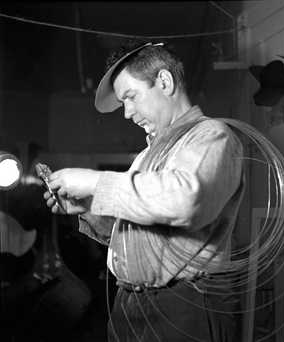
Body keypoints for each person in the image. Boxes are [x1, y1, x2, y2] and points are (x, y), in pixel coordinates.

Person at [43, 41, 245, 342]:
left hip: (183, 308)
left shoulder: (212, 136)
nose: (127, 113)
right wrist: (87, 207)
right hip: (131, 306)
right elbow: (137, 233)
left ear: (164, 82)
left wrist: (96, 183)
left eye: (131, 97)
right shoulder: (146, 156)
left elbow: (187, 200)